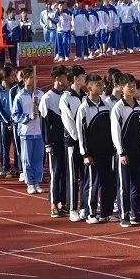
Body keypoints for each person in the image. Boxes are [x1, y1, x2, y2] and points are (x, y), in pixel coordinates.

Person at [76, 74, 115, 223]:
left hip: (106, 151)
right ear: (89, 87)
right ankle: (90, 213)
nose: (101, 87)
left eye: (101, 84)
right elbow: (81, 133)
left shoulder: (106, 105)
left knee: (108, 182)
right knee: (92, 182)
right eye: (97, 84)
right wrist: (85, 153)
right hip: (92, 153)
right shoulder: (84, 108)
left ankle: (106, 212)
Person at [113, 75, 140, 227]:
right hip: (125, 153)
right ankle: (124, 215)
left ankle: (137, 213)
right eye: (128, 86)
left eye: (133, 85)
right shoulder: (118, 108)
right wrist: (121, 152)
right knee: (124, 186)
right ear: (121, 87)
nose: (132, 88)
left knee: (138, 183)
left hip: (139, 151)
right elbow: (116, 132)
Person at [40, 65, 70, 218]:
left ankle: (63, 203)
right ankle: (53, 204)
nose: (67, 80)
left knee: (66, 172)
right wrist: (47, 143)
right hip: (54, 143)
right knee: (55, 173)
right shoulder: (47, 98)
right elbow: (44, 123)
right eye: (65, 77)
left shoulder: (67, 95)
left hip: (66, 141)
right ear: (58, 79)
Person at [12, 67, 46, 195]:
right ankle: (30, 183)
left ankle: (37, 181)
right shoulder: (20, 96)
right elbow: (15, 115)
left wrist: (39, 108)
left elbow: (46, 112)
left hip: (39, 131)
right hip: (26, 132)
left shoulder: (40, 94)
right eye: (30, 77)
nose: (33, 79)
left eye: (34, 77)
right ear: (25, 79)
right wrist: (27, 118)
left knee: (38, 159)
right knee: (27, 159)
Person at [61, 65, 87, 221]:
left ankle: (85, 207)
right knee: (72, 175)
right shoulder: (66, 98)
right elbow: (68, 122)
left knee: (86, 175)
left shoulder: (85, 96)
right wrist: (78, 138)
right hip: (72, 142)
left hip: (86, 143)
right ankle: (72, 208)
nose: (85, 78)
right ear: (76, 78)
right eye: (83, 76)